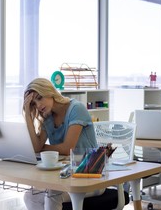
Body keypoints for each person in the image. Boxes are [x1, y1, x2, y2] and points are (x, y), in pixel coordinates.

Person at [22, 78, 104, 210]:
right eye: (34, 104)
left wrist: (42, 147)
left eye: (40, 98)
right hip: (67, 175)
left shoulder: (76, 109)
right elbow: (36, 147)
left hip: (91, 175)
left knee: (52, 193)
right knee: (30, 196)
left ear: (49, 91)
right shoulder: (47, 117)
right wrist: (27, 115)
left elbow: (67, 149)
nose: (38, 105)